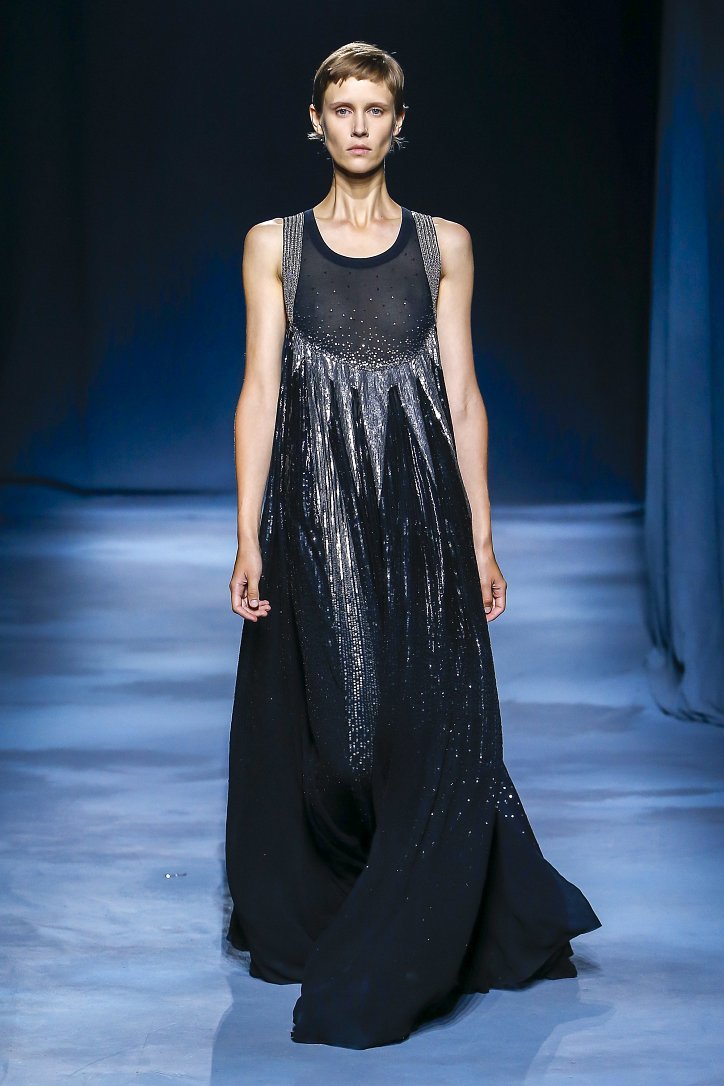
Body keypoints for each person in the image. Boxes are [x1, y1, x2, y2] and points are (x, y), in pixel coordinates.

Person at [224, 40, 601, 1051]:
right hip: (316, 505)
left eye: (375, 109)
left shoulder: (444, 245)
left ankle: (421, 899)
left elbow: (463, 396)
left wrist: (482, 535)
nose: (358, 125)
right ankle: (342, 882)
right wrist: (247, 531)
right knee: (340, 727)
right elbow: (259, 391)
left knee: (421, 712)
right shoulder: (274, 244)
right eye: (342, 108)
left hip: (421, 506)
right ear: (316, 122)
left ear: (399, 123)